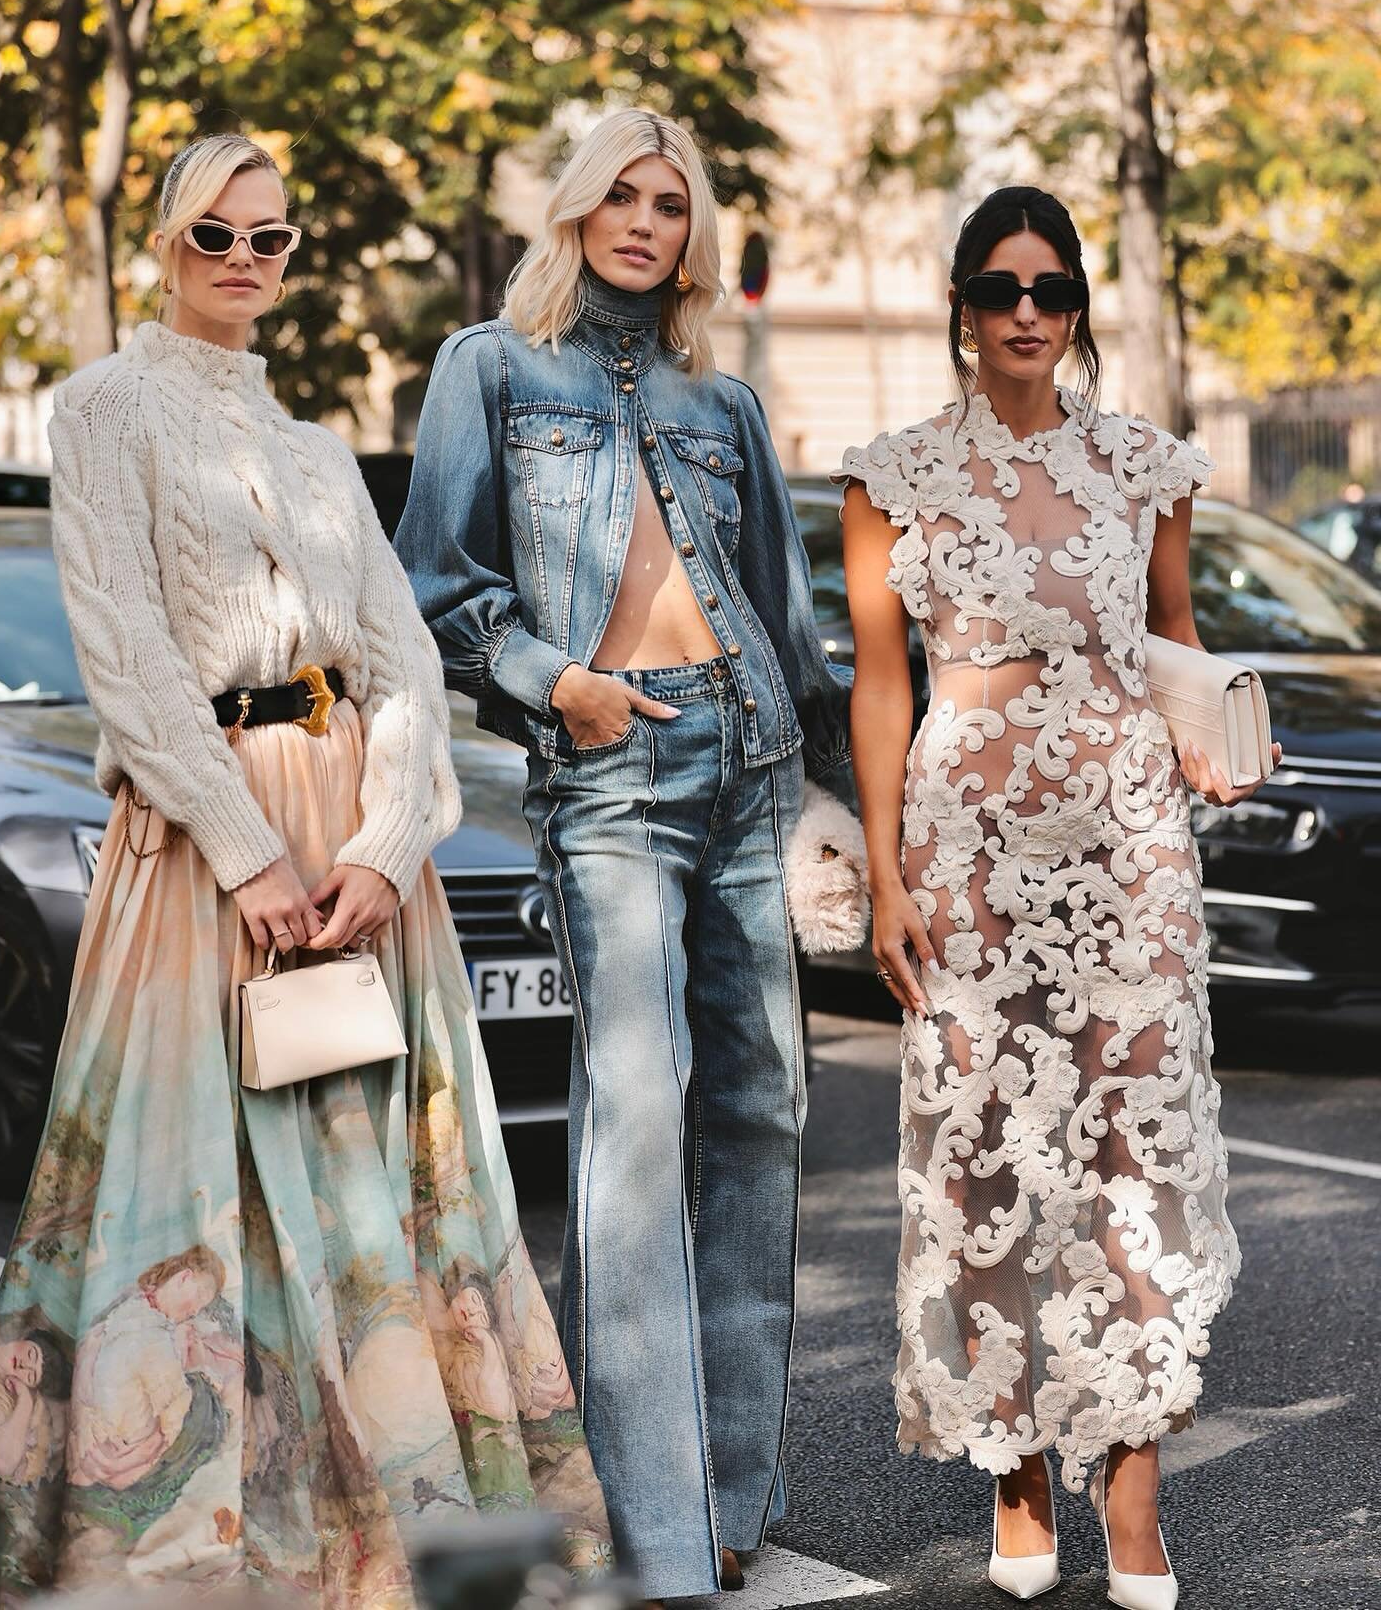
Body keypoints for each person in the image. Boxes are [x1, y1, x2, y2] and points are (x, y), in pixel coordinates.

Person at [0, 133, 611, 1604]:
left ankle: (406, 1520)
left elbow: (403, 669)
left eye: (273, 239)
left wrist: (385, 848)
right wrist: (250, 856)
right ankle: (199, 1530)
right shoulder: (105, 410)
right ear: (167, 242)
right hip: (204, 845)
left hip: (360, 853)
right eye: (217, 237)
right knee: (188, 1184)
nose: (246, 262)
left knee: (375, 1176)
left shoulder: (317, 449)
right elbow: (123, 652)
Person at [396, 108, 851, 1601]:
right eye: (624, 197)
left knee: (766, 1108)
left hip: (747, 755)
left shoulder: (722, 406)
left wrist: (842, 789)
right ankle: (650, 1524)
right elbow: (439, 581)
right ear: (579, 210)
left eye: (673, 203)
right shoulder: (491, 367)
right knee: (638, 1114)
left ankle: (731, 1491)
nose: (648, 222)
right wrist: (553, 682)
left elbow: (787, 618)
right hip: (611, 768)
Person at [837, 186, 1270, 1610]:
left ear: (1078, 309)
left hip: (1128, 835)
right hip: (966, 837)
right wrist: (888, 876)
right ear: (963, 307)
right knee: (988, 1152)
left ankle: (1133, 1485)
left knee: (1134, 1147)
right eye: (1002, 286)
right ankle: (1017, 1470)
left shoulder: (1148, 467)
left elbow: (1176, 641)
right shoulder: (891, 476)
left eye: (1054, 287)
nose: (1030, 310)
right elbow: (883, 683)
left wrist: (1210, 746)